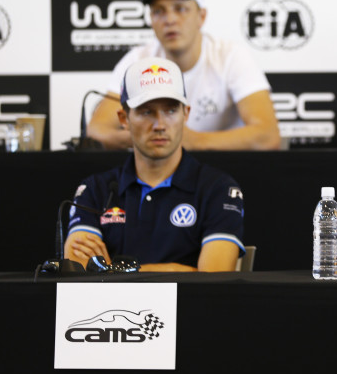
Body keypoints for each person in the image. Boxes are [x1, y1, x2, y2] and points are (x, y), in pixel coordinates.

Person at [65, 56, 245, 272]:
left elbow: (214, 278)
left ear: (186, 114)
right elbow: (78, 271)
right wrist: (178, 270)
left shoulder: (218, 188)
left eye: (170, 110)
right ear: (123, 119)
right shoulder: (95, 189)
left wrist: (112, 270)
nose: (160, 125)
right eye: (146, 111)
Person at [86, 0, 281, 151]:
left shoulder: (231, 56)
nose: (169, 20)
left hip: (221, 170)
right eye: (158, 11)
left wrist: (192, 141)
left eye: (180, 8)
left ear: (201, 17)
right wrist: (150, 138)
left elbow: (267, 135)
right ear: (151, 19)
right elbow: (96, 131)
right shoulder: (137, 61)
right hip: (161, 170)